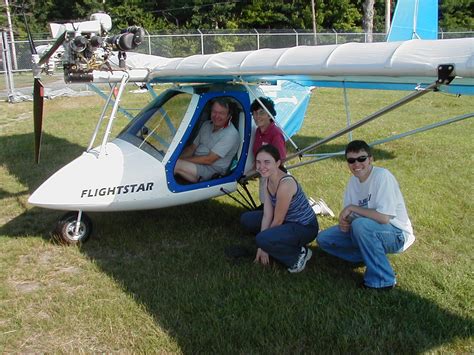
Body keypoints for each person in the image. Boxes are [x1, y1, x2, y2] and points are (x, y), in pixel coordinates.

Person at [316, 140, 415, 290]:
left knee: (361, 225)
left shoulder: (382, 176)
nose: (357, 164)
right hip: (366, 229)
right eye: (351, 160)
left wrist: (352, 208)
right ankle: (369, 256)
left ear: (370, 159)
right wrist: (345, 222)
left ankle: (383, 280)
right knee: (324, 239)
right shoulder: (353, 182)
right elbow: (351, 217)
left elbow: (384, 217)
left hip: (397, 234)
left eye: (362, 159)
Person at [240, 144, 319, 273]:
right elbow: (267, 215)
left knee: (263, 239)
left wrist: (263, 246)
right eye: (258, 162)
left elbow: (277, 221)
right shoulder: (267, 179)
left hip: (304, 227)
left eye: (267, 162)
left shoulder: (285, 184)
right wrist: (263, 243)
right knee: (247, 219)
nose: (261, 167)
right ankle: (278, 241)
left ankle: (299, 255)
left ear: (277, 163)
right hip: (286, 221)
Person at [174, 98, 240, 182]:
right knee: (171, 161)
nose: (216, 116)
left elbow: (209, 160)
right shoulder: (206, 125)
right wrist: (177, 157)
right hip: (197, 162)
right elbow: (192, 148)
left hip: (212, 169)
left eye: (221, 113)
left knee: (174, 165)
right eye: (214, 112)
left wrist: (179, 160)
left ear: (229, 115)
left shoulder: (231, 134)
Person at [250, 97, 287, 204]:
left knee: (270, 203)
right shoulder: (258, 131)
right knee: (264, 202)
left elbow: (281, 160)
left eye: (261, 113)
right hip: (263, 172)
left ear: (269, 115)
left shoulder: (275, 134)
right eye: (254, 113)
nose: (257, 117)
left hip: (274, 175)